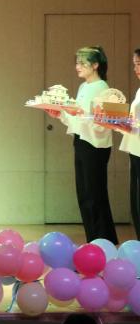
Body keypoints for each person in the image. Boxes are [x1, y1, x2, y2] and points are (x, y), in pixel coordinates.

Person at [47, 46, 116, 243]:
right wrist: (60, 113)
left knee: (95, 194)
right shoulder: (83, 87)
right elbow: (78, 120)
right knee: (84, 194)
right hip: (81, 141)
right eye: (76, 63)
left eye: (82, 63)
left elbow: (105, 124)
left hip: (95, 145)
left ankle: (105, 240)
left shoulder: (103, 88)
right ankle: (92, 239)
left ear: (95, 65)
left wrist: (81, 114)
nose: (77, 67)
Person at [120, 49, 140, 240]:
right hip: (135, 149)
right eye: (135, 64)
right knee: (135, 200)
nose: (136, 69)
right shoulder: (139, 90)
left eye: (139, 64)